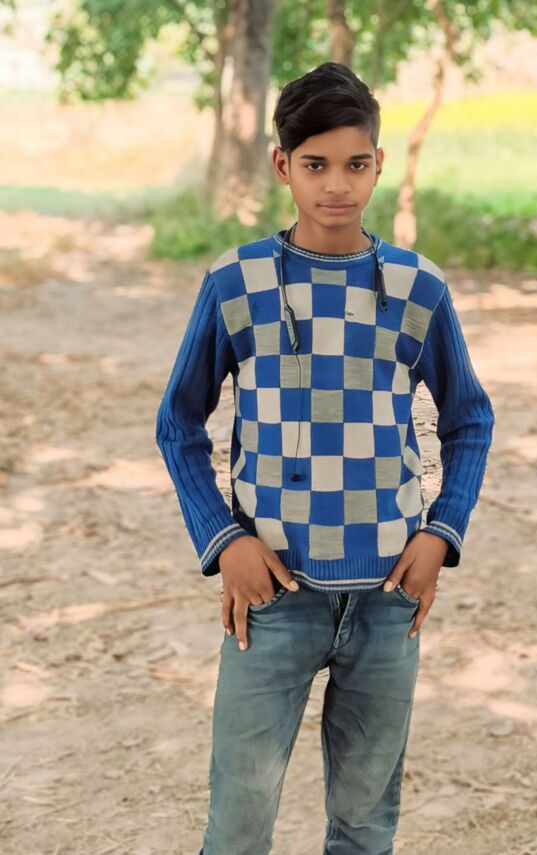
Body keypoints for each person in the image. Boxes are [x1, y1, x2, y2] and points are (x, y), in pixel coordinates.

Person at [156, 61, 495, 855]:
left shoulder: (417, 287)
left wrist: (440, 532)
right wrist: (225, 540)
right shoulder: (236, 281)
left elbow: (470, 418)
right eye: (315, 165)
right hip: (271, 596)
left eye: (355, 163)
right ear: (283, 165)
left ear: (379, 163)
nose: (337, 185)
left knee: (365, 823)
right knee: (238, 826)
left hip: (387, 597)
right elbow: (178, 422)